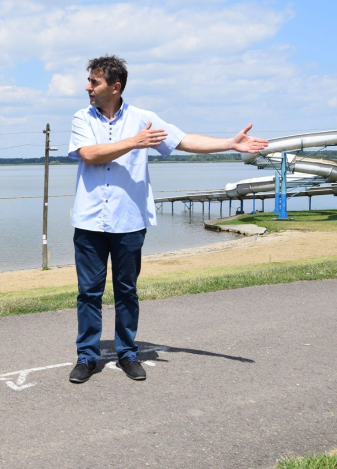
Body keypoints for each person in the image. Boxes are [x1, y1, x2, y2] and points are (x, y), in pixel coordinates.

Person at [67, 55, 268, 384]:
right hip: (90, 221)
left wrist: (229, 145)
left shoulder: (144, 118)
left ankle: (128, 353)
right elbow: (89, 154)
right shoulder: (82, 118)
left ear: (115, 87)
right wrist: (134, 142)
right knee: (88, 292)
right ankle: (87, 356)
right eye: (89, 81)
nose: (87, 87)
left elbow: (184, 140)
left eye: (94, 82)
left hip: (129, 221)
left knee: (126, 291)